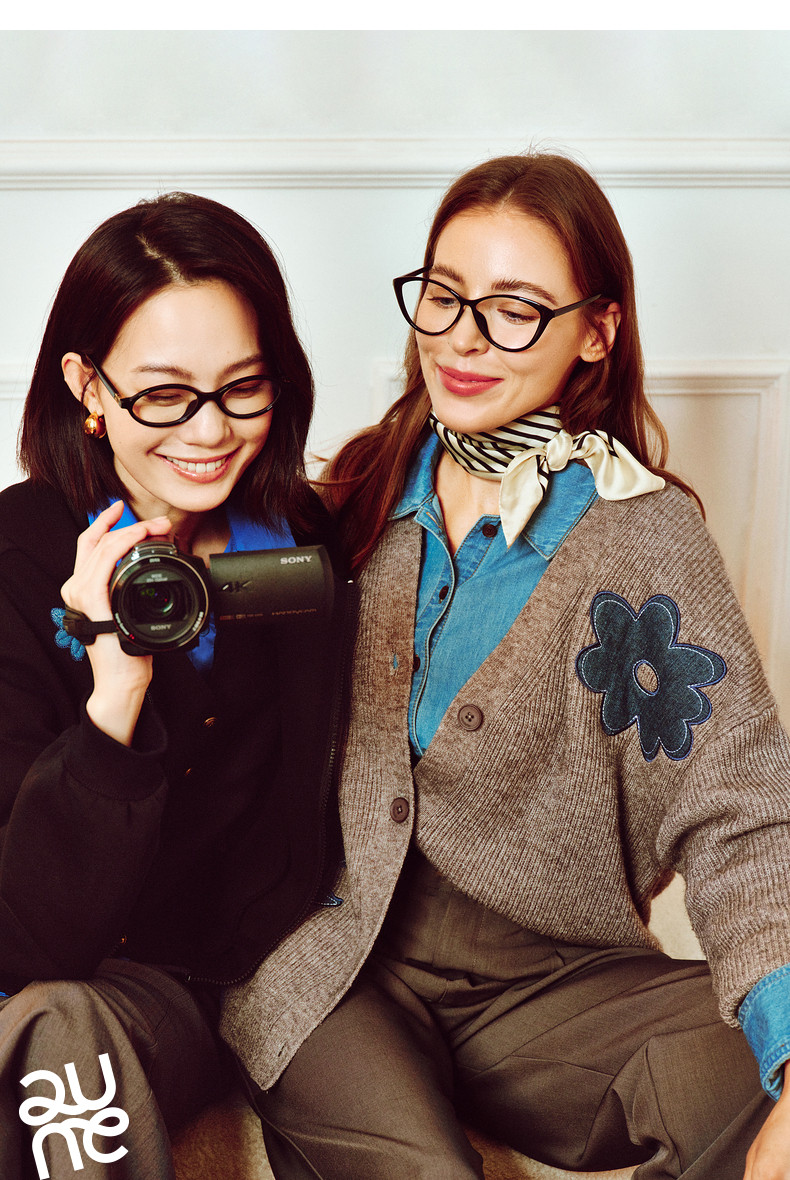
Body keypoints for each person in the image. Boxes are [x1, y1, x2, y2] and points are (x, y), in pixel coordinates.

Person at [220, 153, 790, 1180]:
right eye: (444, 296)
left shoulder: (644, 534)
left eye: (515, 309)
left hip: (554, 981)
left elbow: (740, 811)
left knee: (761, 1080)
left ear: (597, 329)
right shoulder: (354, 494)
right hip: (335, 959)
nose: (462, 338)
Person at [0, 192, 350, 1180]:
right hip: (75, 976)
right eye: (163, 394)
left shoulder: (303, 550)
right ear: (87, 385)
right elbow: (30, 944)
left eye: (243, 387)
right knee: (56, 1029)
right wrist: (114, 687)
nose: (209, 430)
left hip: (244, 976)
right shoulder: (18, 562)